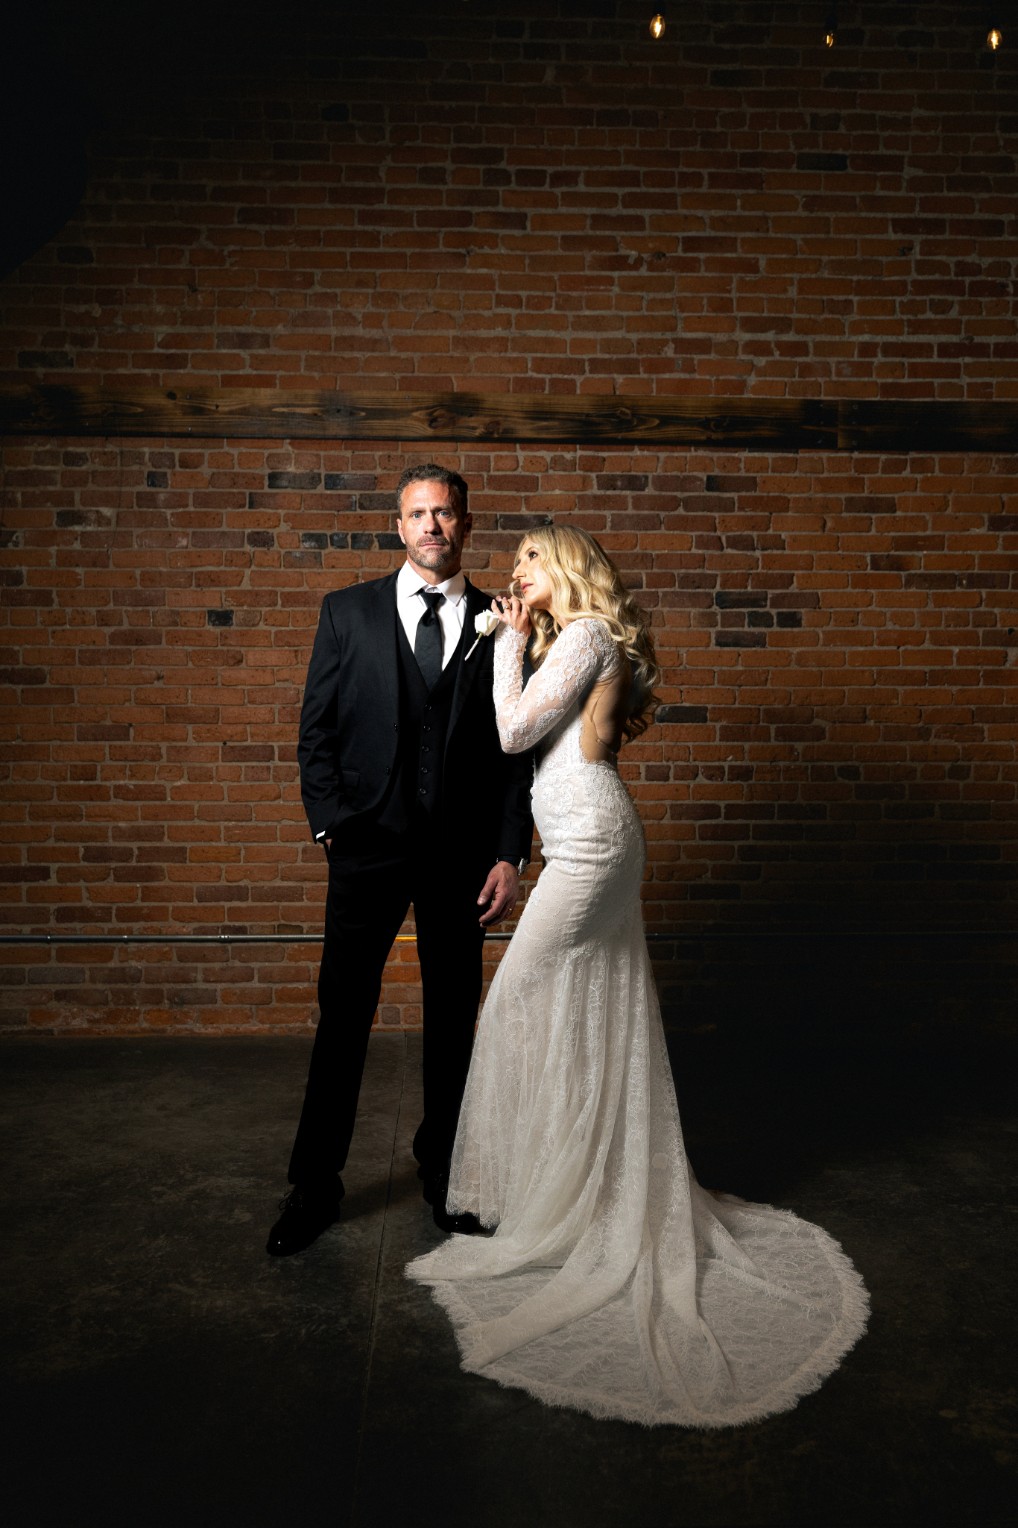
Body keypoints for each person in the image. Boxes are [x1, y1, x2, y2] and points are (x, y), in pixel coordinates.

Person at [407, 525, 869, 1427]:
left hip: (589, 847)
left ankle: (555, 1204)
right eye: (515, 566)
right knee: (581, 1012)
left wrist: (502, 642)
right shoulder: (582, 642)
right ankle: (572, 1191)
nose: (516, 573)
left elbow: (511, 733)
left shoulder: (582, 636)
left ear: (567, 568)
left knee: (514, 1008)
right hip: (588, 839)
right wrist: (515, 642)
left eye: (530, 560)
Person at [267, 464, 534, 1257]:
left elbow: (517, 752)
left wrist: (511, 853)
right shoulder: (345, 612)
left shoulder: (503, 619)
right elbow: (315, 733)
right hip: (366, 852)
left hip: (462, 861)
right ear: (398, 526)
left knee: (454, 1023)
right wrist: (330, 829)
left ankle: (446, 1177)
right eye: (418, 514)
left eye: (445, 514)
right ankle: (314, 1186)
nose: (432, 527)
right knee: (343, 1019)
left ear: (467, 525)